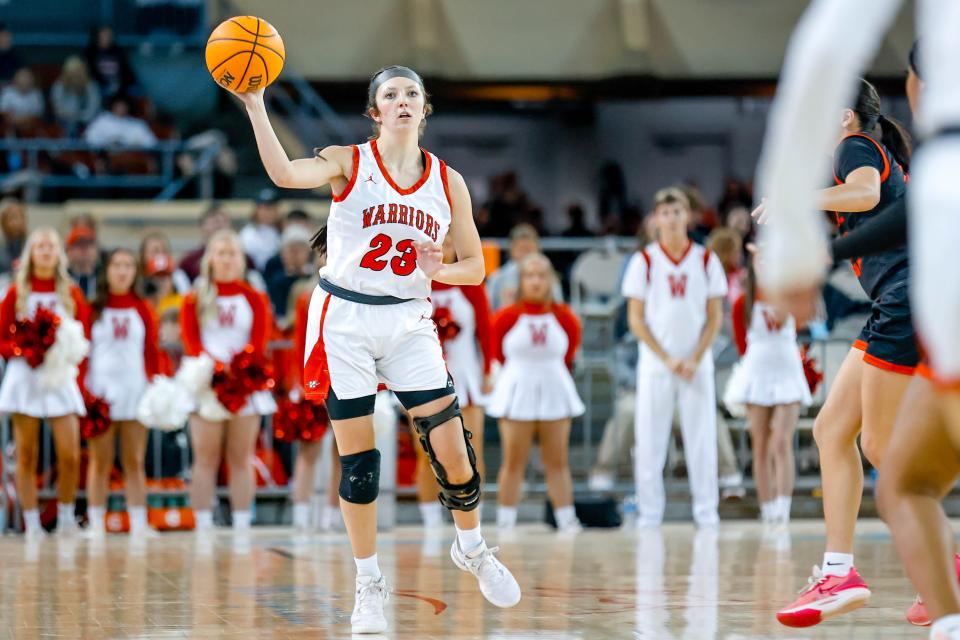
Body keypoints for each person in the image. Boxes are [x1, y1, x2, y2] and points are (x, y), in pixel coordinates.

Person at [230, 63, 520, 634]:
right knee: (360, 464)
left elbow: (477, 267)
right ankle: (368, 583)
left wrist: (443, 270)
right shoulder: (348, 160)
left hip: (409, 320)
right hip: (345, 319)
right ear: (375, 112)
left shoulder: (448, 181)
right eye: (391, 94)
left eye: (413, 92)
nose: (404, 100)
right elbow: (288, 174)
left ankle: (473, 547)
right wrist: (257, 105)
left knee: (455, 454)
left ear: (424, 108)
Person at [767, 78, 916, 628]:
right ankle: (839, 570)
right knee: (832, 430)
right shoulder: (874, 154)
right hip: (899, 303)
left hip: (907, 300)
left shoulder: (854, 149)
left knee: (876, 440)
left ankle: (941, 569)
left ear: (844, 115)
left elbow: (864, 195)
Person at [621, 187, 726, 528]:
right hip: (656, 364)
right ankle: (650, 515)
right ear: (655, 219)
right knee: (650, 441)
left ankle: (707, 513)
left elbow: (715, 317)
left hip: (697, 363)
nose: (671, 218)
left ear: (688, 216)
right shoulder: (645, 261)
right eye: (665, 212)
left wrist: (694, 355)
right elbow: (636, 319)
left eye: (677, 211)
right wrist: (667, 358)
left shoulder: (706, 259)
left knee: (702, 439)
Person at [179, 230, 276, 534]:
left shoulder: (254, 297)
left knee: (241, 458)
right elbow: (191, 340)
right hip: (206, 384)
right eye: (220, 253)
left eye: (232, 253)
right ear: (210, 259)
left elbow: (260, 341)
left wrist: (239, 373)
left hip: (244, 386)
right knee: (205, 459)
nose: (226, 259)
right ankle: (204, 524)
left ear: (241, 260)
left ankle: (242, 524)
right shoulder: (195, 297)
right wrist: (216, 371)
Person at [0, 228, 89, 538]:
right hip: (26, 376)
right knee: (26, 453)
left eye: (51, 245)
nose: (46, 251)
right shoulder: (15, 292)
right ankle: (32, 522)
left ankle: (66, 517)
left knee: (70, 453)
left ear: (59, 253)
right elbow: (2, 338)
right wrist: (25, 350)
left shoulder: (72, 292)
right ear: (30, 253)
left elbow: (83, 337)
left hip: (60, 376)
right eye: (40, 246)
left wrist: (62, 356)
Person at [487, 252, 583, 533]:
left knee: (558, 462)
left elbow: (569, 354)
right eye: (530, 275)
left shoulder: (566, 318)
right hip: (516, 390)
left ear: (551, 280)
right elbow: (495, 354)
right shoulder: (505, 317)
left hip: (555, 388)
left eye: (542, 275)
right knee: (513, 461)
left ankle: (567, 519)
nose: (536, 281)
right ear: (521, 281)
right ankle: (506, 521)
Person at [85, 248, 164, 538]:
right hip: (100, 395)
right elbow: (83, 353)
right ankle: (95, 524)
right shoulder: (92, 308)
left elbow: (151, 351)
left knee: (134, 461)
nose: (122, 270)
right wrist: (84, 391)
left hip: (135, 393)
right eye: (117, 265)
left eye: (128, 264)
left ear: (135, 272)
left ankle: (139, 523)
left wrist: (157, 386)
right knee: (100, 461)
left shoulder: (143, 308)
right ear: (106, 271)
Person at [724, 257, 810, 525]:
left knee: (781, 442)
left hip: (787, 371)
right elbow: (741, 344)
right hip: (757, 373)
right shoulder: (743, 303)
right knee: (760, 443)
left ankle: (784, 506)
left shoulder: (790, 297)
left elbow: (800, 323)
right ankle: (767, 506)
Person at [416, 234, 494, 527]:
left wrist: (488, 371)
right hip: (423, 376)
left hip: (466, 375)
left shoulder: (471, 283)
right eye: (438, 243)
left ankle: (475, 518)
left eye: (449, 243)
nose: (444, 248)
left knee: (472, 452)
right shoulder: (413, 282)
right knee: (427, 453)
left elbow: (486, 330)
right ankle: (431, 522)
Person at [486, 223, 563, 311]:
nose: (526, 255)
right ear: (512, 250)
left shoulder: (549, 277)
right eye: (521, 249)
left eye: (529, 250)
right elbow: (488, 311)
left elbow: (559, 310)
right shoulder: (497, 278)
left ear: (538, 249)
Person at [267, 224, 313, 319]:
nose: (295, 255)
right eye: (291, 250)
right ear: (282, 254)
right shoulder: (275, 280)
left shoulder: (316, 277)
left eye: (300, 250)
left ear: (308, 253)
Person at [50, 56, 102, 137]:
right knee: (70, 124)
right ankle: (67, 147)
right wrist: (73, 115)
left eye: (78, 72)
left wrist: (75, 115)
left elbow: (92, 111)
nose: (75, 76)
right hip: (65, 122)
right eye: (72, 73)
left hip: (89, 121)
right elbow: (59, 111)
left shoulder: (91, 86)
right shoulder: (59, 86)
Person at [85, 26, 136, 102]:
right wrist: (105, 84)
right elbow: (90, 73)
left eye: (109, 36)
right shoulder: (91, 52)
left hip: (119, 84)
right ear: (98, 36)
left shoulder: (118, 52)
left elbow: (126, 71)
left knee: (136, 90)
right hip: (99, 85)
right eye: (104, 35)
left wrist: (120, 83)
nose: (106, 38)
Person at [83, 96, 157, 148]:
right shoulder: (102, 120)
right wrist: (108, 142)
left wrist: (132, 144)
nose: (121, 108)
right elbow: (89, 138)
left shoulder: (137, 124)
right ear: (113, 106)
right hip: (107, 157)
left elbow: (151, 142)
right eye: (119, 106)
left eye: (124, 106)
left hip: (133, 158)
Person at [239, 188, 283, 272]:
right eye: (263, 207)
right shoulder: (247, 234)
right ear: (257, 209)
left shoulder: (283, 232)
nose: (267, 212)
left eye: (271, 207)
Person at [66, 224, 101, 299]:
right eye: (79, 244)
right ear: (68, 250)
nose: (84, 249)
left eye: (89, 244)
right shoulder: (62, 278)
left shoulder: (105, 278)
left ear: (96, 249)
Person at [0, 197, 27, 274]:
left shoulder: (31, 241)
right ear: (3, 221)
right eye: (13, 217)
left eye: (22, 217)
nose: (19, 222)